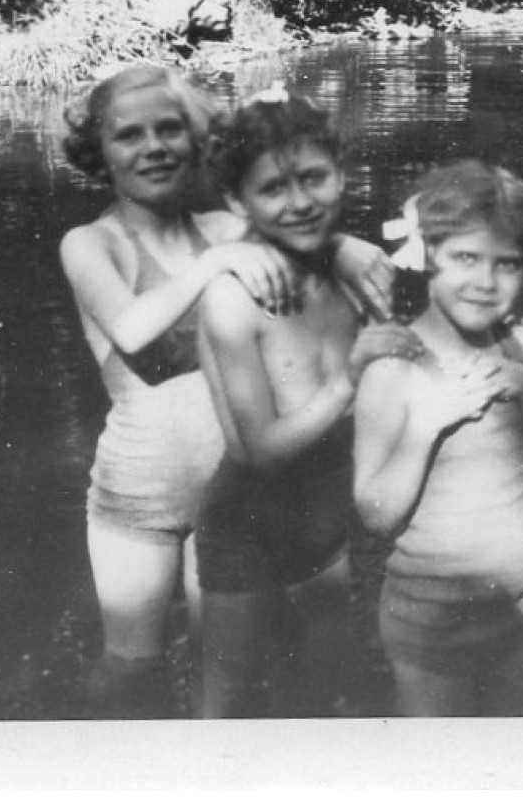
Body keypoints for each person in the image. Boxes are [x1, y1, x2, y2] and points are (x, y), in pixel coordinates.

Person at [58, 64, 393, 718]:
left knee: (226, 663)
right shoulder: (90, 242)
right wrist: (215, 263)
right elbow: (130, 326)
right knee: (133, 665)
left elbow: (301, 231)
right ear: (99, 150)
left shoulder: (222, 226)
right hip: (141, 489)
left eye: (168, 128)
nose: (152, 145)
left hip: (233, 486)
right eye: (129, 134)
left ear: (193, 139)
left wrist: (345, 247)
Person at [193, 86, 422, 717]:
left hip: (324, 517)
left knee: (322, 692)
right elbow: (260, 452)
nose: (299, 202)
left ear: (342, 175)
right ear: (238, 200)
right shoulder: (233, 297)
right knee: (227, 705)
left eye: (315, 178)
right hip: (247, 524)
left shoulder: (350, 270)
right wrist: (350, 379)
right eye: (273, 189)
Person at [352, 160, 523, 716]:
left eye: (507, 264)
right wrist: (427, 424)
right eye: (465, 258)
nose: (485, 281)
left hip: (512, 608)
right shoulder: (395, 364)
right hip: (427, 619)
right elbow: (375, 514)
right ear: (428, 254)